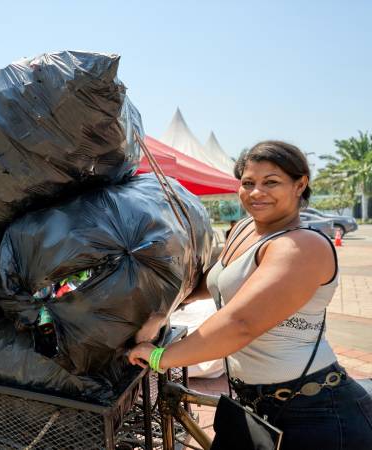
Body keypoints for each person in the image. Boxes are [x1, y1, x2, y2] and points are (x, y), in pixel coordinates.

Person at [128, 141, 372, 449]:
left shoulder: (302, 246)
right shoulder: (245, 229)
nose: (256, 193)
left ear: (300, 185)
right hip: (252, 404)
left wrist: (160, 357)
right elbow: (214, 280)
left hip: (315, 411)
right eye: (248, 183)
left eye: (271, 182)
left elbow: (240, 323)